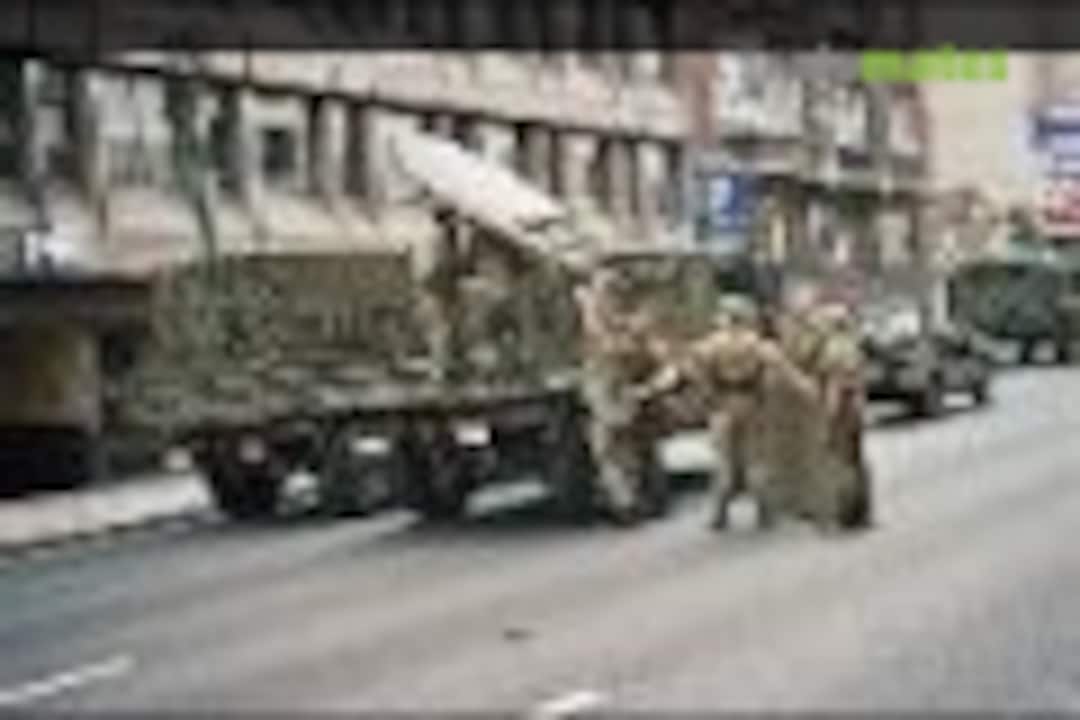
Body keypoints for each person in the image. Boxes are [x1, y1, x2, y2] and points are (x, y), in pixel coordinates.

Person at [638, 293, 819, 531]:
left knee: (725, 462)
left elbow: (677, 373)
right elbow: (787, 373)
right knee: (757, 459)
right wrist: (811, 391)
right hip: (753, 406)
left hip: (722, 408)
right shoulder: (758, 345)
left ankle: (720, 515)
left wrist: (648, 391)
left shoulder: (709, 346)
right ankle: (764, 512)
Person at [575, 265, 672, 525]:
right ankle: (635, 501)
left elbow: (660, 364)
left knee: (615, 453)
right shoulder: (632, 328)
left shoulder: (625, 332)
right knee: (626, 453)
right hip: (620, 400)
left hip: (620, 401)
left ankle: (629, 504)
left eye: (605, 293)